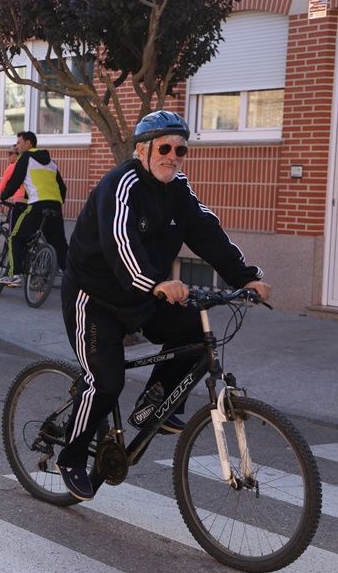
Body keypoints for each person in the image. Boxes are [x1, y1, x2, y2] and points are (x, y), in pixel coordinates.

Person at [55, 110, 271, 502]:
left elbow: (207, 232)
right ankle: (70, 457)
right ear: (143, 149)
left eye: (181, 149)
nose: (173, 155)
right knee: (105, 382)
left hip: (145, 293)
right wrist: (155, 282)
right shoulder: (120, 184)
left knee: (195, 330)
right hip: (96, 296)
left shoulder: (178, 189)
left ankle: (154, 402)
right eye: (165, 147)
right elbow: (119, 243)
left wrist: (245, 278)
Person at [0, 131, 68, 287]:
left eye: (19, 143)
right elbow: (63, 188)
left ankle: (15, 275)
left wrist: (3, 196)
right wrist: (57, 202)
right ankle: (73, 278)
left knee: (15, 236)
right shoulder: (52, 163)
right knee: (60, 245)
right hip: (55, 206)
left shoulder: (25, 158)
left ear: (28, 143)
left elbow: (15, 181)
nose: (17, 146)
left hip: (37, 205)